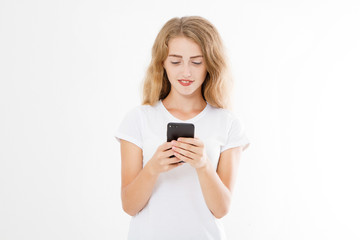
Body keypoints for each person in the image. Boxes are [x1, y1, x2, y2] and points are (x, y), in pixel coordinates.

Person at [114, 16, 250, 240]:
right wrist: (153, 168)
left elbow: (221, 209)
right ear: (162, 63)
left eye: (196, 62)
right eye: (176, 61)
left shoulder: (228, 123)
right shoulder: (138, 119)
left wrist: (203, 164)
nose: (186, 72)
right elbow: (129, 205)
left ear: (210, 64)